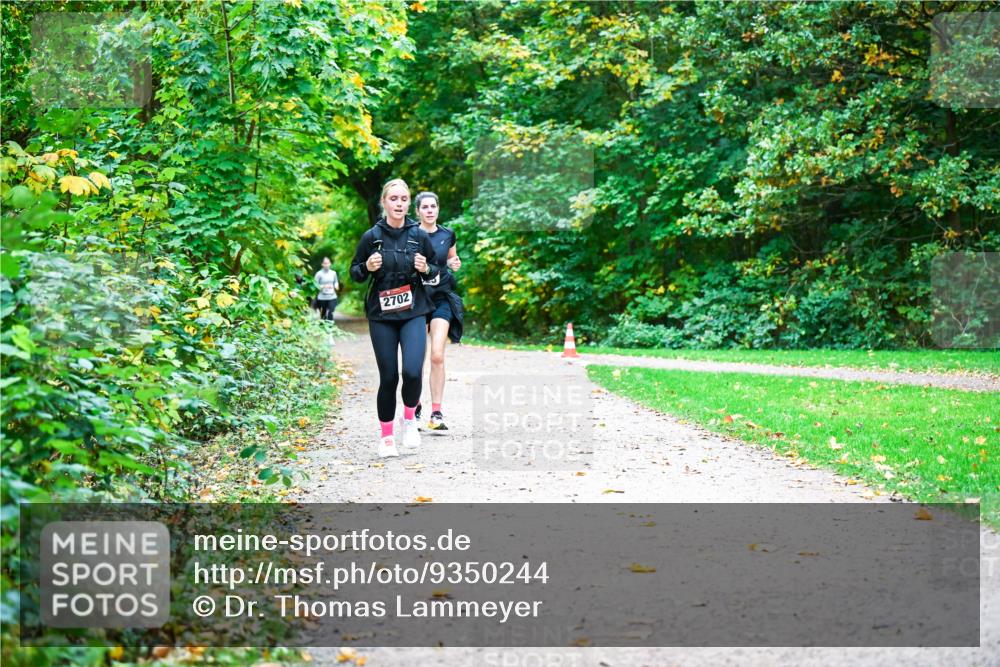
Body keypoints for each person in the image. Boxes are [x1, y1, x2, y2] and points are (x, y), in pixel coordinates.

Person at [350, 179, 441, 458]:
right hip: (382, 315)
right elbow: (355, 273)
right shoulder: (371, 237)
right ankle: (387, 437)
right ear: (384, 202)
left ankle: (410, 420)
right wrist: (366, 265)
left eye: (403, 199)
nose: (399, 204)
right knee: (388, 377)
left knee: (412, 372)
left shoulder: (419, 235)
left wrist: (425, 267)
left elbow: (435, 270)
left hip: (413, 311)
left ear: (407, 202)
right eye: (394, 199)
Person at [413, 191, 463, 431]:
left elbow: (452, 259)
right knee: (415, 360)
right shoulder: (411, 234)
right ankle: (414, 407)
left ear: (438, 209)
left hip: (441, 298)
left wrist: (455, 263)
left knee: (437, 355)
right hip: (416, 300)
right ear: (418, 211)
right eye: (425, 207)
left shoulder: (447, 234)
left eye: (433, 206)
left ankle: (436, 413)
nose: (430, 210)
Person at [313, 257, 339, 321]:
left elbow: (336, 282)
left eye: (327, 263)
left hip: (332, 296)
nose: (326, 265)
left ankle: (330, 326)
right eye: (325, 263)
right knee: (323, 314)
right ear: (322, 264)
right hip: (322, 297)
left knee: (330, 312)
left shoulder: (333, 273)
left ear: (330, 264)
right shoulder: (318, 274)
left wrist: (336, 286)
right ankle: (324, 327)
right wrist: (324, 286)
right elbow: (314, 285)